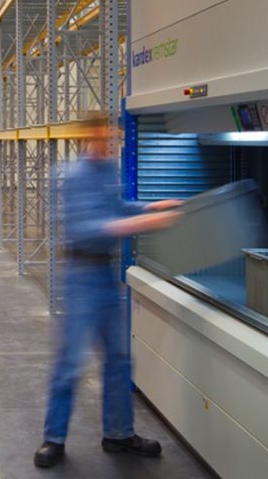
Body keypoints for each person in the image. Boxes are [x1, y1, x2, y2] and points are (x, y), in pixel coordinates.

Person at [34, 114, 183, 470]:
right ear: (91, 137)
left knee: (118, 358)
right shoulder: (70, 176)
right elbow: (85, 228)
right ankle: (53, 439)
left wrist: (149, 207)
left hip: (104, 273)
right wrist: (141, 223)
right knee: (70, 362)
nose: (113, 144)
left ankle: (118, 434)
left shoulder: (107, 172)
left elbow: (116, 209)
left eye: (115, 138)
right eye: (108, 137)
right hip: (81, 274)